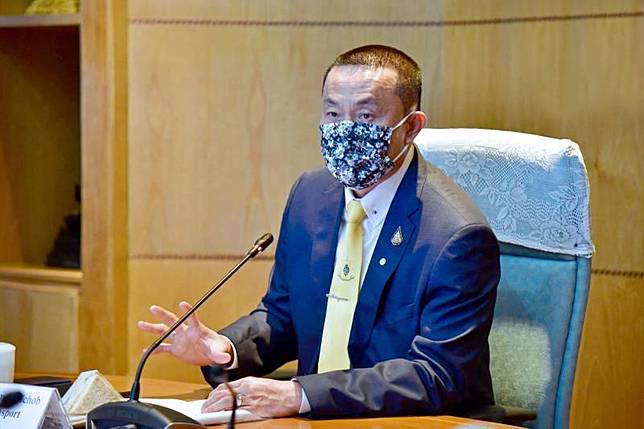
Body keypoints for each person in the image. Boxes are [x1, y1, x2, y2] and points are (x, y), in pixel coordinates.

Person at [138, 45, 500, 419]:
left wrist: (299, 394)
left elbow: (438, 375)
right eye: (332, 113)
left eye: (365, 115)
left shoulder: (457, 236)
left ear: (411, 128)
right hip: (315, 418)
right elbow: (282, 316)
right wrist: (226, 348)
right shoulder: (310, 195)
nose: (344, 130)